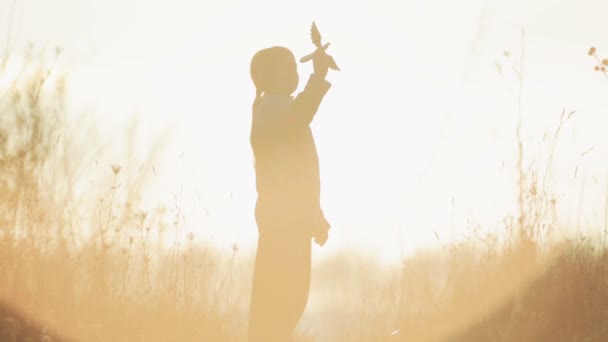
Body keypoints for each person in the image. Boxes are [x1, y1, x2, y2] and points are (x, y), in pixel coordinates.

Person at [247, 44, 335, 342]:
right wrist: (318, 76)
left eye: (294, 67)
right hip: (282, 223)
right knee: (280, 305)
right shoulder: (271, 106)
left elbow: (301, 177)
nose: (293, 73)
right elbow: (300, 115)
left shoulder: (278, 107)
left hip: (291, 222)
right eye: (284, 68)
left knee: (289, 302)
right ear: (265, 77)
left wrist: (316, 216)